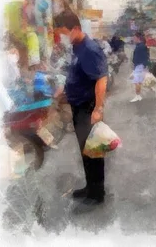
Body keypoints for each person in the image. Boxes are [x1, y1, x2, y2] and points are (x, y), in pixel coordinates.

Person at [53, 11, 108, 207]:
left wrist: (98, 109)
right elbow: (76, 73)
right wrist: (64, 89)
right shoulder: (76, 47)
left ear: (75, 29)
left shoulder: (90, 49)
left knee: (94, 151)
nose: (63, 37)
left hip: (88, 108)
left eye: (64, 33)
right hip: (78, 107)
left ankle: (98, 193)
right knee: (86, 150)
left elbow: (101, 79)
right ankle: (90, 187)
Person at [130, 32, 150, 103]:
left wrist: (143, 66)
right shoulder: (140, 45)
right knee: (138, 81)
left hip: (139, 66)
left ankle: (137, 96)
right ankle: (138, 95)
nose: (133, 39)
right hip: (139, 66)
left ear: (138, 38)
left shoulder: (141, 46)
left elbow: (145, 57)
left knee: (136, 81)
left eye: (134, 37)